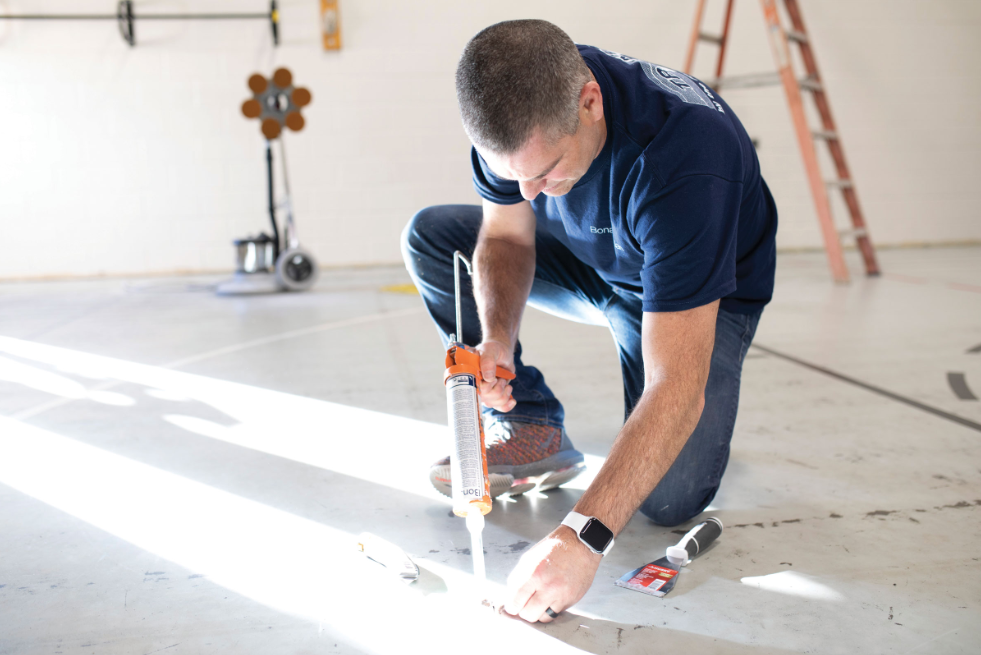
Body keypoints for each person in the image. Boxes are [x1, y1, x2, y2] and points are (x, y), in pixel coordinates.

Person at [401, 19, 777, 624]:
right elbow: (505, 235)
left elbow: (675, 386)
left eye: (545, 171)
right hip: (598, 255)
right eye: (513, 176)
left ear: (590, 102)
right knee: (432, 238)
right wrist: (497, 336)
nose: (531, 193)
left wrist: (581, 537)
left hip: (698, 287)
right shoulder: (518, 115)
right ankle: (531, 422)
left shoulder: (687, 159)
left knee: (669, 498)